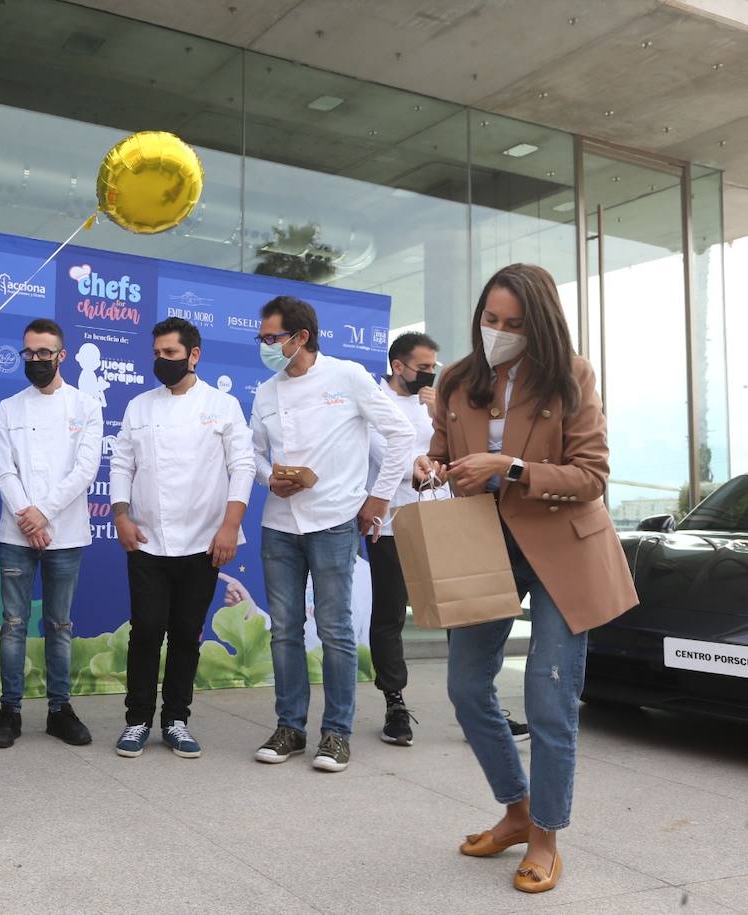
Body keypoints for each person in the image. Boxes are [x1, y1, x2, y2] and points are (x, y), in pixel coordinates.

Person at [418, 263, 635, 894]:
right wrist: (427, 465)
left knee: (548, 694)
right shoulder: (458, 378)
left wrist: (510, 467)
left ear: (537, 324)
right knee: (465, 688)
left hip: (565, 549)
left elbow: (592, 475)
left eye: (513, 324)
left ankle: (545, 837)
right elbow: (440, 449)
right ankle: (515, 811)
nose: (498, 332)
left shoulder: (571, 375)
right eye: (490, 320)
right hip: (483, 545)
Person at [249, 296, 414, 773]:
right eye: (261, 338)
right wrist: (268, 478)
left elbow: (400, 435)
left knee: (336, 631)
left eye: (271, 338)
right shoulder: (265, 392)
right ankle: (290, 728)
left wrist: (379, 497)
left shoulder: (348, 377)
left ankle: (337, 733)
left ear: (301, 337)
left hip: (335, 522)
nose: (265, 346)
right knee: (284, 631)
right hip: (279, 525)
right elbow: (254, 453)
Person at [109, 317, 255, 759]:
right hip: (148, 540)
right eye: (157, 354)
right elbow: (121, 464)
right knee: (147, 630)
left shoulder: (223, 405)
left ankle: (176, 719)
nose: (162, 361)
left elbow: (242, 466)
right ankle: (137, 721)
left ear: (194, 355)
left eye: (170, 354)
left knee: (187, 632)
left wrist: (230, 527)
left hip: (204, 541)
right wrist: (120, 515)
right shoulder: (140, 406)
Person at [0, 319, 102, 749]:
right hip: (17, 532)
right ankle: (10, 710)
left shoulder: (86, 406)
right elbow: (3, 470)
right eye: (29, 353)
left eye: (43, 353)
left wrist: (44, 514)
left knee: (60, 624)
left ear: (61, 356)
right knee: (13, 624)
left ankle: (59, 709)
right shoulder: (9, 407)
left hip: (65, 533)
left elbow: (85, 470)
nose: (35, 360)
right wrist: (26, 516)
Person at [364, 331, 443, 746]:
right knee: (391, 613)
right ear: (399, 365)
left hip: (442, 518)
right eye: (423, 368)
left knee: (459, 612)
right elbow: (384, 453)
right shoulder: (375, 400)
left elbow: (454, 449)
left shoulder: (436, 404)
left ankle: (477, 704)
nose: (429, 375)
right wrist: (417, 463)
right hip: (391, 522)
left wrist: (443, 416)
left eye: (434, 368)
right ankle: (395, 704)